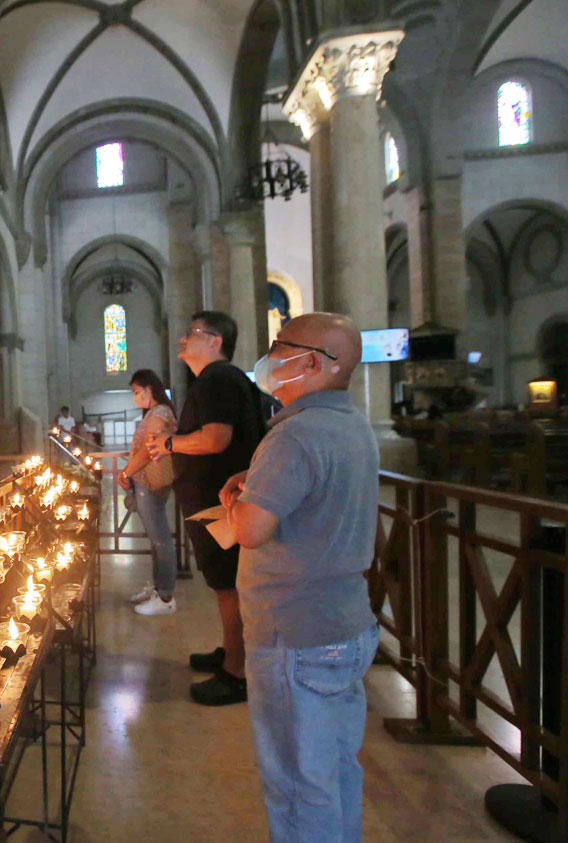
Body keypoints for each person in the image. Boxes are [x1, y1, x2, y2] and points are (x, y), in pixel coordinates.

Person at [220, 312, 379, 842]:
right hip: (345, 623)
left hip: (296, 633)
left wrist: (236, 499)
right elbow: (316, 495)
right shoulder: (351, 421)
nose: (270, 359)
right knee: (334, 769)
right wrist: (261, 485)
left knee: (296, 783)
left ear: (312, 362)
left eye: (279, 348)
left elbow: (250, 530)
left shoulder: (296, 434)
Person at [148, 311, 263, 705]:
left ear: (215, 341)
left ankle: (236, 672)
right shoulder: (215, 380)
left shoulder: (218, 378)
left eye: (191, 332)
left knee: (228, 585)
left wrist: (169, 444)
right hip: (215, 501)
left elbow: (215, 439)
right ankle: (232, 651)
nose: (182, 338)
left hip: (222, 504)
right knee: (224, 583)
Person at [118, 369, 178, 616]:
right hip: (146, 482)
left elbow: (148, 449)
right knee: (156, 540)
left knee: (161, 540)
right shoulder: (154, 413)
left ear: (149, 388)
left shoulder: (159, 413)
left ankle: (165, 597)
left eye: (136, 392)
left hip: (150, 484)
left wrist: (126, 472)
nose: (135, 397)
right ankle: (157, 587)